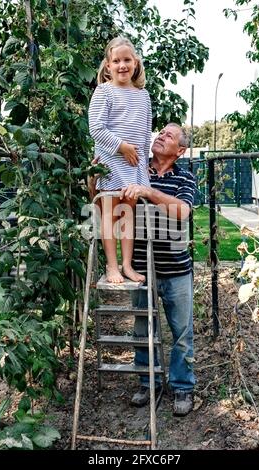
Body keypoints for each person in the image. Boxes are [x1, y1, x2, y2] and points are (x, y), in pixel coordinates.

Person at [120, 123, 196, 416]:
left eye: (169, 135)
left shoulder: (184, 178)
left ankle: (182, 388)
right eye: (160, 132)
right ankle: (147, 383)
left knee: (182, 334)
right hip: (141, 270)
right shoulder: (136, 169)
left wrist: (148, 192)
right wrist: (95, 177)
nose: (160, 136)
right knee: (143, 331)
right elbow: (106, 202)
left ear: (181, 150)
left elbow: (182, 211)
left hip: (176, 272)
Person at [88, 36, 152, 284]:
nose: (122, 65)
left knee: (127, 215)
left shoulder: (143, 96)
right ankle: (111, 266)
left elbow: (146, 135)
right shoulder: (104, 92)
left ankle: (127, 265)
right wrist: (121, 146)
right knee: (110, 216)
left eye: (127, 60)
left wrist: (143, 171)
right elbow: (96, 128)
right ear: (108, 65)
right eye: (117, 61)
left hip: (134, 165)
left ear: (135, 63)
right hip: (111, 162)